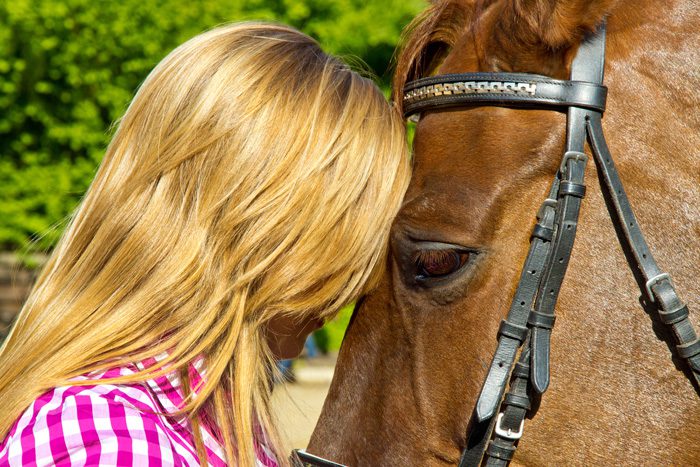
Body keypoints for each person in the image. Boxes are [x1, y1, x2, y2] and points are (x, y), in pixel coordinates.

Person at [0, 22, 410, 466]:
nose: (355, 287)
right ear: (257, 227)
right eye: (341, 243)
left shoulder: (195, 420)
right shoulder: (114, 443)